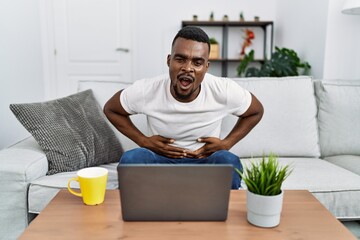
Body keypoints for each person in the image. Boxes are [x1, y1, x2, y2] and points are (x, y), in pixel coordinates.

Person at [103, 26, 264, 189]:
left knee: (229, 161)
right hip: (159, 161)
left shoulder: (224, 89)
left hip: (205, 162)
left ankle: (214, 207)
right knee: (131, 159)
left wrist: (226, 143)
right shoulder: (148, 89)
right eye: (180, 59)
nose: (188, 68)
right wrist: (144, 141)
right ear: (169, 60)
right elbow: (111, 108)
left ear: (206, 67)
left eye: (197, 62)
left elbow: (256, 111)